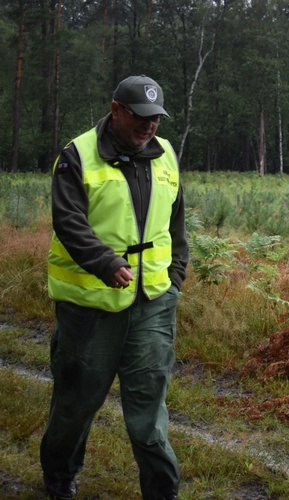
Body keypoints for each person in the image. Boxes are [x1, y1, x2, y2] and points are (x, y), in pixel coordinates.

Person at [41, 75, 189, 500]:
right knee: (76, 403)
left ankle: (162, 491)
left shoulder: (165, 155)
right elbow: (68, 221)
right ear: (116, 109)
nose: (149, 127)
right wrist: (105, 263)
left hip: (154, 304)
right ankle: (59, 475)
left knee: (149, 411)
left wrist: (175, 276)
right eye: (141, 118)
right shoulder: (77, 155)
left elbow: (177, 222)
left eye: (156, 119)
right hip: (90, 306)